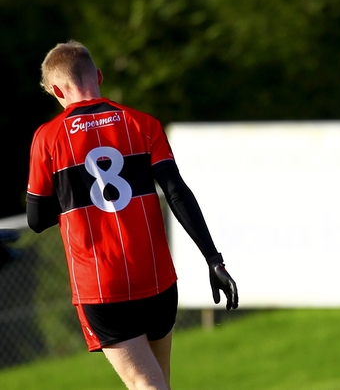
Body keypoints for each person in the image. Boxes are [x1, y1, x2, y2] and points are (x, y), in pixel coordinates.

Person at [26, 40, 239, 390]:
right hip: (155, 277)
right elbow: (177, 193)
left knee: (146, 384)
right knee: (158, 381)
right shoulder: (142, 124)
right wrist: (213, 259)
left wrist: (74, 196)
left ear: (56, 89)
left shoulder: (48, 138)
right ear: (98, 76)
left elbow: (36, 219)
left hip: (101, 286)